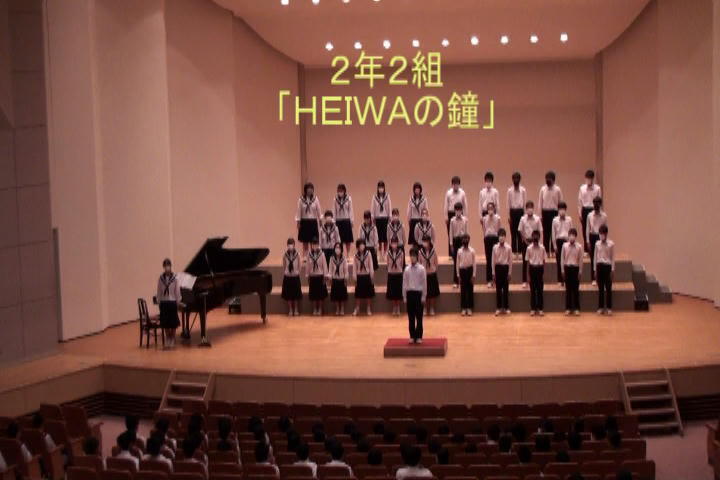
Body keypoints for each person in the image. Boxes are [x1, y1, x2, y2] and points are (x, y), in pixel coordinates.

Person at [403, 247, 427, 344]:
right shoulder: (407, 269)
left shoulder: (421, 269)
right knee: (411, 317)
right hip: (410, 294)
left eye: (414, 255)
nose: (412, 257)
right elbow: (404, 284)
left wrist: (423, 296)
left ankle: (419, 336)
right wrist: (404, 297)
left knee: (419, 316)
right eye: (411, 255)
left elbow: (424, 283)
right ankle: (412, 335)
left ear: (417, 256)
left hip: (418, 294)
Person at [156, 258, 181, 348]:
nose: (167, 267)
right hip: (164, 302)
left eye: (168, 265)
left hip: (172, 302)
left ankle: (172, 339)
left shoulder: (175, 278)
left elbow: (177, 291)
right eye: (165, 266)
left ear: (170, 266)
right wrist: (159, 301)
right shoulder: (161, 278)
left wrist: (178, 301)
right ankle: (168, 338)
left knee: (173, 322)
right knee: (165, 322)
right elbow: (159, 290)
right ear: (163, 267)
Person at [538, 171, 563, 256]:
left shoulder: (557, 189)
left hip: (554, 212)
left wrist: (560, 215)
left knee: (554, 233)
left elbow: (560, 202)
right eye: (546, 179)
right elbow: (540, 203)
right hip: (545, 212)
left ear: (553, 180)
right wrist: (540, 216)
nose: (547, 180)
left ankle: (552, 250)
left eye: (549, 179)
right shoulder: (543, 189)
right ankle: (546, 251)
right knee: (546, 233)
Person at [518, 201, 542, 288]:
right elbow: (520, 230)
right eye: (528, 207)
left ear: (533, 208)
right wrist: (525, 241)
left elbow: (540, 230)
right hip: (525, 241)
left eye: (531, 207)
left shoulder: (537, 219)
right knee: (525, 261)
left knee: (534, 261)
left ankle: (534, 280)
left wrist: (537, 241)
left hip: (535, 241)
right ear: (526, 209)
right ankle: (524, 280)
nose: (530, 209)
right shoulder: (522, 219)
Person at [578, 169, 602, 253]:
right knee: (585, 229)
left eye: (590, 178)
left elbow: (600, 201)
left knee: (595, 229)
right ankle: (586, 249)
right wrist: (580, 213)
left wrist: (599, 212)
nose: (589, 180)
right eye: (587, 178)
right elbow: (580, 202)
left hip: (593, 209)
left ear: (593, 179)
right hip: (585, 209)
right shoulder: (582, 188)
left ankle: (597, 248)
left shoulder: (597, 188)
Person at [561, 228, 583, 315]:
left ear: (575, 236)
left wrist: (580, 271)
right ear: (568, 235)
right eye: (570, 235)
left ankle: (577, 308)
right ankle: (568, 308)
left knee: (575, 289)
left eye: (573, 235)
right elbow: (562, 259)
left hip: (575, 268)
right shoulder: (564, 246)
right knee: (568, 289)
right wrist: (562, 270)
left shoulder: (579, 247)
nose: (571, 236)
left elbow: (580, 260)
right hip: (567, 268)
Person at [444, 176, 468, 255]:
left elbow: (465, 205)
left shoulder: (462, 193)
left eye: (457, 184)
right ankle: (451, 254)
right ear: (452, 185)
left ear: (459, 184)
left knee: (461, 233)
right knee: (450, 234)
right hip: (451, 213)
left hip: (460, 213)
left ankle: (462, 251)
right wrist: (446, 217)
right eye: (454, 184)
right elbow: (446, 205)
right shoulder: (448, 193)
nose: (455, 186)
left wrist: (466, 216)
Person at [586, 197, 608, 284]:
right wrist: (587, 241)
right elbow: (587, 229)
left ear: (600, 204)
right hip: (592, 236)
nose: (596, 205)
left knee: (601, 257)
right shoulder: (589, 215)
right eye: (595, 203)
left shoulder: (604, 216)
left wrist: (605, 238)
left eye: (598, 203)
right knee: (593, 257)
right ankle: (593, 278)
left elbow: (605, 228)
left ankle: (601, 278)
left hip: (600, 236)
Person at [296, 182, 322, 254]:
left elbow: (319, 210)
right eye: (308, 188)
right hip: (304, 222)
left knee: (313, 241)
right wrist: (298, 222)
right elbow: (298, 211)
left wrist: (320, 220)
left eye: (311, 188)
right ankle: (305, 255)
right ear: (305, 189)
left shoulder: (315, 199)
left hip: (313, 222)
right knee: (305, 241)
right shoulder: (301, 200)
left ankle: (313, 254)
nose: (310, 190)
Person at [595, 224, 615, 315]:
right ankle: (601, 307)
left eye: (603, 233)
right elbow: (595, 257)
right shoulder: (597, 244)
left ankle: (609, 308)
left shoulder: (611, 244)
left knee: (608, 288)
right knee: (601, 289)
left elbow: (613, 257)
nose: (601, 235)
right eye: (600, 233)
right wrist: (595, 270)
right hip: (599, 266)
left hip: (607, 267)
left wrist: (612, 269)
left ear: (606, 234)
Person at [551, 201, 573, 284]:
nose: (562, 210)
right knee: (559, 261)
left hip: (567, 241)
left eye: (563, 208)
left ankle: (567, 279)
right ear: (558, 210)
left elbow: (571, 231)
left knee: (567, 261)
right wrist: (554, 246)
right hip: (558, 241)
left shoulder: (569, 219)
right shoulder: (555, 220)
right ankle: (559, 279)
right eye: (560, 209)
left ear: (565, 209)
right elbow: (553, 233)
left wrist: (571, 241)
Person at [492, 228, 512, 315]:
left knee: (506, 289)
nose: (501, 237)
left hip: (505, 268)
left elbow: (510, 261)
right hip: (498, 268)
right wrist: (493, 273)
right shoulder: (495, 247)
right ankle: (499, 307)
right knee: (498, 289)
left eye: (503, 235)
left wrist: (509, 273)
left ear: (505, 236)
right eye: (500, 235)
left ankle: (506, 307)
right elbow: (493, 261)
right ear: (498, 236)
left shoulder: (508, 248)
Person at [526, 230, 547, 316]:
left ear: (539, 237)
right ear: (532, 237)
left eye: (537, 236)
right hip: (532, 269)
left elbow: (544, 261)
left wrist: (543, 273)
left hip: (539, 269)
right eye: (534, 236)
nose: (535, 237)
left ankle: (540, 308)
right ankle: (533, 309)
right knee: (533, 290)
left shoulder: (542, 248)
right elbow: (528, 262)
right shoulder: (529, 248)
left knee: (540, 290)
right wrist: (528, 275)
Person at [481, 202, 501, 287]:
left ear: (494, 209)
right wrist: (486, 237)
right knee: (488, 259)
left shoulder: (498, 218)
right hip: (487, 239)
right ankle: (489, 280)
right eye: (488, 208)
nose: (490, 210)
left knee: (496, 259)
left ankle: (496, 279)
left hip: (495, 239)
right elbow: (484, 229)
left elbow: (499, 229)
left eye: (491, 208)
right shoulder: (484, 218)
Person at [306, 237, 328, 316]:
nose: (314, 246)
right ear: (311, 245)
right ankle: (315, 308)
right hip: (312, 276)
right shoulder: (309, 254)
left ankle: (320, 309)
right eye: (313, 244)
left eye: (316, 244)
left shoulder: (322, 254)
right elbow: (308, 266)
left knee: (320, 295)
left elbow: (324, 265)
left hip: (320, 276)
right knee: (314, 294)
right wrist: (308, 275)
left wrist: (325, 276)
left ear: (318, 245)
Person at [448, 202, 469, 288]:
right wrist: (451, 245)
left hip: (463, 240)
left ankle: (463, 280)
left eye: (459, 210)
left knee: (463, 261)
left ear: (461, 210)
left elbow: (466, 232)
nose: (458, 211)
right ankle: (456, 281)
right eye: (456, 210)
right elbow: (450, 233)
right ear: (455, 210)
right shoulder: (452, 220)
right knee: (456, 261)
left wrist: (467, 242)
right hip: (455, 241)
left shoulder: (465, 220)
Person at [507, 172, 527, 259]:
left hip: (520, 212)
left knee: (520, 233)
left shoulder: (523, 190)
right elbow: (508, 204)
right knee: (513, 233)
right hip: (513, 212)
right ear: (512, 180)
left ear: (519, 179)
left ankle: (520, 252)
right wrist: (509, 215)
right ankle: (514, 252)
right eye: (514, 178)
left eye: (517, 178)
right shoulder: (509, 191)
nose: (516, 180)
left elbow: (525, 203)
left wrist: (525, 215)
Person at [353, 238, 375, 316]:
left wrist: (372, 276)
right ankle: (357, 308)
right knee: (358, 294)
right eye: (360, 245)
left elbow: (371, 265)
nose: (362, 246)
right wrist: (355, 278)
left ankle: (368, 308)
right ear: (357, 247)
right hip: (359, 276)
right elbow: (354, 268)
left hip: (367, 276)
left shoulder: (368, 254)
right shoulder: (355, 256)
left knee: (368, 293)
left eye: (363, 244)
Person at [418, 236, 440, 315]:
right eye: (423, 241)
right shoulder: (420, 252)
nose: (425, 243)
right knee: (424, 293)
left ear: (429, 242)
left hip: (432, 274)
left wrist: (434, 270)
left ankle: (431, 308)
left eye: (426, 241)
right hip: (424, 275)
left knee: (432, 293)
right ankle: (424, 308)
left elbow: (436, 262)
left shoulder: (433, 251)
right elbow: (419, 263)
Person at [371, 180, 392, 261]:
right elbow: (373, 208)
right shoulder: (374, 197)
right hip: (378, 219)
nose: (381, 189)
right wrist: (372, 218)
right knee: (379, 238)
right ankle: (380, 254)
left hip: (385, 219)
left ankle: (385, 253)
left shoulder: (387, 196)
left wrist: (390, 218)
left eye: (382, 187)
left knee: (385, 238)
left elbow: (389, 207)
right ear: (377, 188)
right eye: (379, 187)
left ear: (384, 188)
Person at [456, 234, 476, 316]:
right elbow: (457, 263)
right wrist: (458, 275)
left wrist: (473, 275)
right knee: (463, 290)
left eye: (466, 239)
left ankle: (469, 308)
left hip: (470, 270)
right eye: (464, 239)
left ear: (469, 240)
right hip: (462, 271)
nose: (465, 240)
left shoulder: (472, 251)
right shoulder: (459, 251)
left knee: (470, 290)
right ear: (462, 240)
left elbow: (474, 263)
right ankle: (464, 308)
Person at [281, 238, 302, 316]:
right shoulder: (285, 255)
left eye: (292, 244)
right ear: (287, 245)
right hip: (288, 276)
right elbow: (284, 265)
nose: (290, 246)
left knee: (296, 293)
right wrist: (285, 272)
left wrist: (297, 272)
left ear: (294, 245)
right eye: (289, 244)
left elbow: (300, 265)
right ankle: (290, 309)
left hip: (295, 276)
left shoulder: (297, 254)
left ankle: (296, 309)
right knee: (288, 294)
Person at [386, 237, 405, 316]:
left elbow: (402, 263)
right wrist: (390, 270)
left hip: (398, 273)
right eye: (392, 243)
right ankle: (394, 307)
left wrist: (399, 270)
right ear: (390, 244)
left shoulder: (401, 253)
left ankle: (398, 307)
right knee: (392, 291)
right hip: (391, 274)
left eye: (395, 243)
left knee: (398, 291)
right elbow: (387, 263)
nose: (394, 244)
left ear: (397, 243)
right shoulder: (388, 253)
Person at [328, 242, 348, 316]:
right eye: (336, 247)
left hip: (342, 279)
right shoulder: (332, 258)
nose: (337, 249)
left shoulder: (344, 258)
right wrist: (330, 278)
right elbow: (330, 269)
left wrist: (345, 278)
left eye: (339, 247)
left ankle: (342, 308)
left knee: (342, 296)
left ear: (341, 249)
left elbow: (346, 270)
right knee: (335, 296)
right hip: (335, 279)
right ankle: (337, 309)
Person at [334, 184, 354, 255]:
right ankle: (341, 254)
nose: (340, 192)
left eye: (341, 190)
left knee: (347, 240)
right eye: (339, 191)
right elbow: (334, 211)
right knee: (340, 240)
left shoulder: (348, 198)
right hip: (338, 221)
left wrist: (351, 221)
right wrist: (334, 222)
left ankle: (348, 254)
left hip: (346, 220)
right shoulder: (335, 199)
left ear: (344, 191)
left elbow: (351, 210)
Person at [407, 182, 428, 247]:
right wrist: (409, 220)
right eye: (416, 189)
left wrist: (426, 220)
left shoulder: (424, 199)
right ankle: (414, 253)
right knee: (414, 241)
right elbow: (409, 210)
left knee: (421, 239)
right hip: (413, 221)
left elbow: (426, 210)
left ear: (420, 190)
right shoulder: (411, 199)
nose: (417, 190)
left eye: (418, 189)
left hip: (421, 220)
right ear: (414, 190)